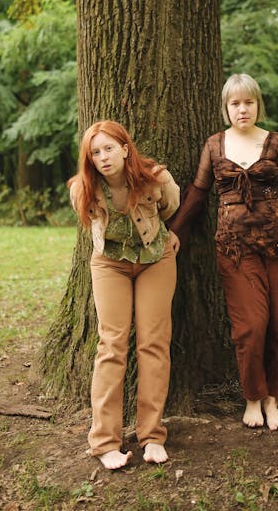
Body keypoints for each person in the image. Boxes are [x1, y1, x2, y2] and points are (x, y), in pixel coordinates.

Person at [170, 74, 278, 431]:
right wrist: (174, 233)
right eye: (235, 103)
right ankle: (252, 397)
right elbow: (199, 194)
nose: (242, 109)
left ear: (257, 104)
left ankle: (273, 399)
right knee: (250, 327)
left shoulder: (275, 142)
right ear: (226, 108)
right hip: (235, 249)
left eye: (248, 102)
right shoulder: (215, 145)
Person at [68, 120, 180, 470]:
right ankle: (104, 442)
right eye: (95, 152)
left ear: (125, 148)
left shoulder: (156, 178)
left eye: (109, 149)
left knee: (153, 343)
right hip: (110, 265)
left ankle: (152, 436)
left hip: (154, 260)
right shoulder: (82, 189)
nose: (103, 157)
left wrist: (169, 236)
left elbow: (170, 209)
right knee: (112, 344)